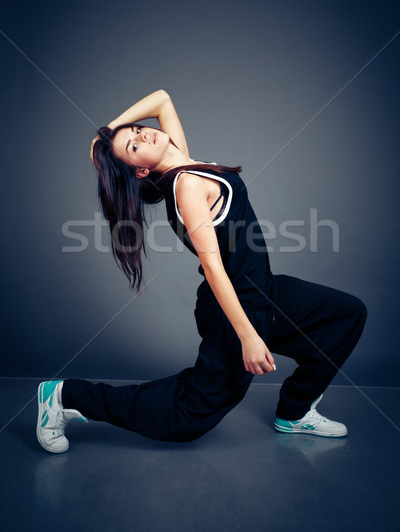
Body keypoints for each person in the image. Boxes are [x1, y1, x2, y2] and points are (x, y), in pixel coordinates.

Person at [36, 90, 368, 453]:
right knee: (189, 416)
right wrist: (249, 337)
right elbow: (213, 268)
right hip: (235, 306)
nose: (143, 134)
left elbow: (162, 100)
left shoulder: (185, 163)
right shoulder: (187, 186)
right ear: (141, 170)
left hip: (265, 291)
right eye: (133, 146)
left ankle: (294, 412)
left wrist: (110, 131)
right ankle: (66, 395)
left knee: (345, 315)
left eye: (137, 129)